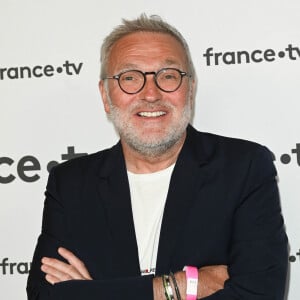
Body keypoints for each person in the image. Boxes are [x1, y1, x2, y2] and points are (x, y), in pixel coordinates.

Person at [27, 14, 288, 300]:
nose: (151, 94)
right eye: (129, 78)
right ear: (105, 96)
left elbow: (259, 293)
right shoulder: (71, 183)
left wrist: (91, 292)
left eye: (168, 76)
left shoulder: (243, 167)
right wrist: (177, 286)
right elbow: (46, 296)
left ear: (190, 89)